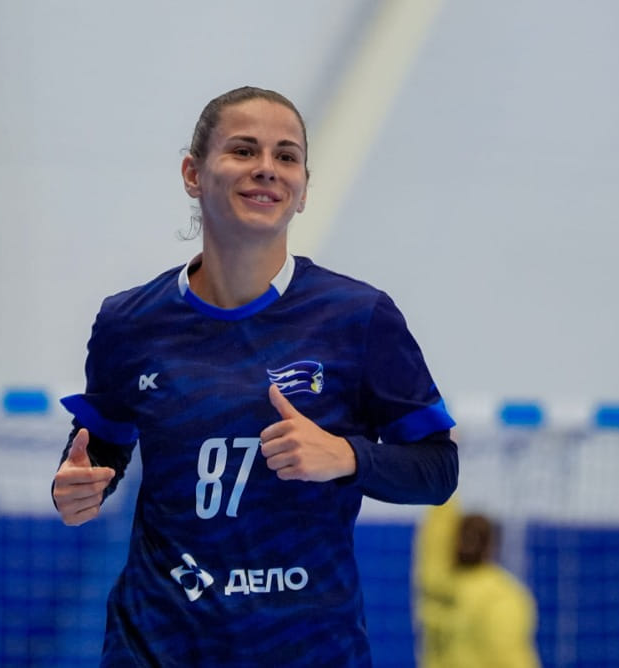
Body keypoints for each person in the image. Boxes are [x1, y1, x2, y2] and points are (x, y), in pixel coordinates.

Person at [51, 85, 458, 667]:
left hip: (307, 651)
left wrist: (346, 456)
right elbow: (103, 444)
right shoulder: (130, 322)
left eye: (286, 156)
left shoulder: (358, 317)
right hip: (157, 647)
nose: (266, 168)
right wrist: (81, 482)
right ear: (193, 174)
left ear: (303, 189)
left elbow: (438, 470)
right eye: (243, 150)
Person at [413, 495, 540, 668]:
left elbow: (435, 536)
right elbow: (507, 656)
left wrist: (444, 491)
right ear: (491, 546)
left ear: (452, 541)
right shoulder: (502, 596)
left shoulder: (435, 581)